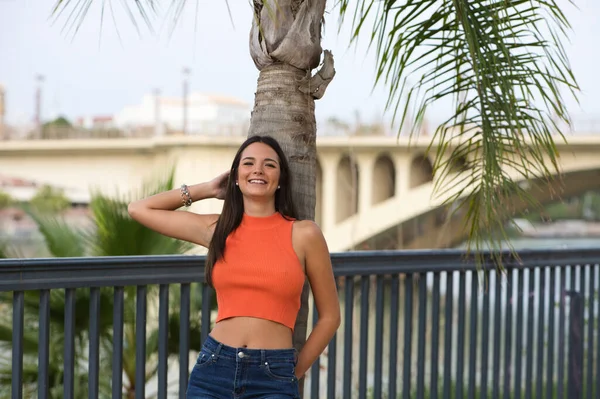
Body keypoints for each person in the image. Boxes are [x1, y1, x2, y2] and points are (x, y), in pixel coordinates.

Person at [128, 135, 341, 398]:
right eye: (248, 163)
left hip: (274, 374)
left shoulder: (304, 234)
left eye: (269, 165)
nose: (258, 170)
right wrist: (207, 189)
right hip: (214, 368)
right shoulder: (218, 229)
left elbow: (330, 316)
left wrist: (293, 372)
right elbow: (139, 209)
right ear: (236, 177)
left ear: (281, 179)